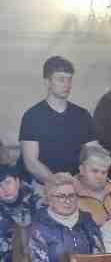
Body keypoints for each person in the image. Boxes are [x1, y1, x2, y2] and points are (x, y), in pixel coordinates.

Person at [28, 174, 104, 262]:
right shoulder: (38, 226)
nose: (67, 201)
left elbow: (99, 254)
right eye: (61, 196)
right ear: (49, 199)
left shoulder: (87, 221)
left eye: (71, 196)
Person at [20, 56, 99, 185]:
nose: (67, 85)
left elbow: (94, 152)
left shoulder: (82, 115)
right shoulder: (32, 116)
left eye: (69, 79)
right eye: (61, 79)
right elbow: (31, 162)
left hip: (76, 183)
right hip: (43, 185)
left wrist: (82, 180)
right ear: (47, 82)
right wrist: (54, 181)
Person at [75, 145, 111, 227]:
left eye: (104, 172)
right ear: (82, 170)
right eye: (94, 171)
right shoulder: (67, 195)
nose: (99, 177)